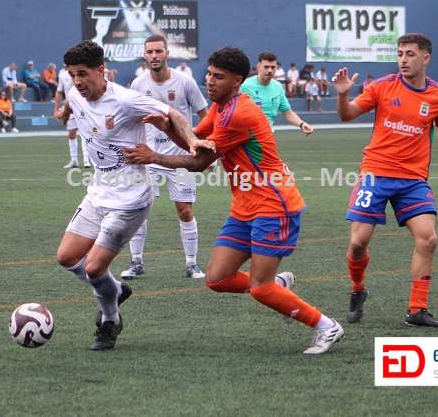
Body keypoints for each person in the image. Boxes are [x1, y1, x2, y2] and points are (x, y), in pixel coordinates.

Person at [123, 46, 344, 355]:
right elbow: (195, 143)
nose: (209, 81)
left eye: (218, 77)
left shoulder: (238, 114)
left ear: (238, 81)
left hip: (273, 204)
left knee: (260, 288)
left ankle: (326, 326)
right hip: (245, 206)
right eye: (209, 74)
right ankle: (280, 287)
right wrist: (168, 126)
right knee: (217, 278)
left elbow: (200, 163)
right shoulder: (221, 107)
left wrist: (153, 156)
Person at [53, 40, 208, 351]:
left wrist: (193, 141)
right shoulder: (74, 92)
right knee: (67, 257)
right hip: (98, 192)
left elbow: (173, 114)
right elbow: (70, 103)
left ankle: (110, 320)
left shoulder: (125, 100)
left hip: (131, 198)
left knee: (95, 268)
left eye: (83, 73)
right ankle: (116, 290)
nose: (78, 81)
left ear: (101, 71)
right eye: (72, 74)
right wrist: (62, 113)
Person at [332, 33, 438, 327]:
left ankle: (417, 309)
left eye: (409, 54)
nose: (403, 59)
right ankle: (358, 289)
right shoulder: (382, 87)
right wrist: (343, 94)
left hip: (413, 180)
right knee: (358, 243)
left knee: (428, 238)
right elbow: (347, 115)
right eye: (399, 54)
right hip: (375, 174)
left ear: (426, 57)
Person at [123, 34, 209, 280]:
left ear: (167, 53)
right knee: (137, 209)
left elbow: (206, 116)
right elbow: (130, 119)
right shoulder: (138, 84)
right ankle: (136, 262)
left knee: (184, 210)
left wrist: (204, 152)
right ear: (144, 55)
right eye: (149, 52)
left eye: (158, 51)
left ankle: (191, 263)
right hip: (148, 157)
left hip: (181, 159)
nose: (154, 56)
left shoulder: (185, 82)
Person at [240, 51, 312, 134]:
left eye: (273, 67)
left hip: (267, 137)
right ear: (258, 67)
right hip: (245, 137)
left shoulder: (278, 87)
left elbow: (287, 112)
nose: (270, 70)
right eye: (266, 67)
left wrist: (301, 124)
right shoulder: (244, 86)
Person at [54, 64, 91, 169]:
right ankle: (74, 160)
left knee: (84, 133)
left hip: (82, 105)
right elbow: (59, 91)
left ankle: (87, 160)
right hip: (69, 106)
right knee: (71, 133)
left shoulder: (81, 73)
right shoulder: (62, 75)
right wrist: (56, 109)